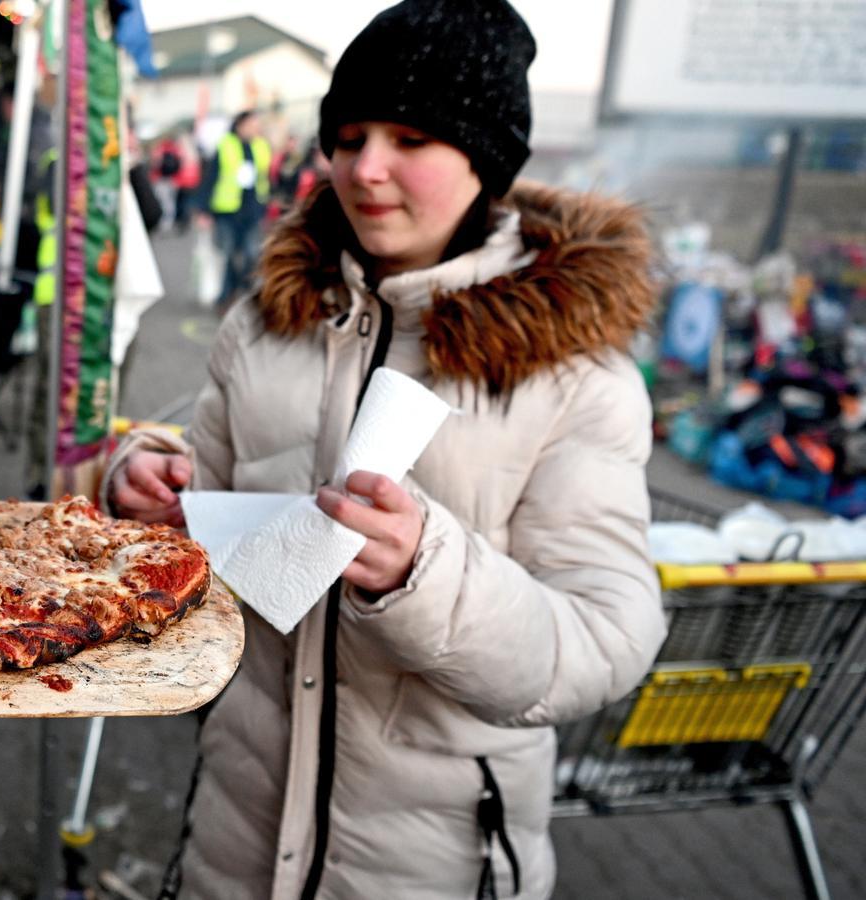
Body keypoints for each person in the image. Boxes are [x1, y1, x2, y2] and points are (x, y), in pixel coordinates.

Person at [103, 1, 667, 897]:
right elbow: (201, 519)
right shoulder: (264, 323)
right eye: (350, 134)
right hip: (234, 837)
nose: (365, 169)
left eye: (411, 138)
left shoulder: (574, 374)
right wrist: (141, 486)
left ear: (485, 158)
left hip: (434, 862)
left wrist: (424, 574)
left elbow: (606, 639)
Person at [197, 110, 270, 305]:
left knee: (250, 254)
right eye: (252, 125)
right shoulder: (225, 145)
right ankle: (226, 294)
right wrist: (203, 209)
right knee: (227, 254)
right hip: (227, 210)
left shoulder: (261, 146)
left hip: (252, 209)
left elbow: (266, 177)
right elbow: (210, 178)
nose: (256, 129)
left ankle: (244, 292)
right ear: (240, 125)